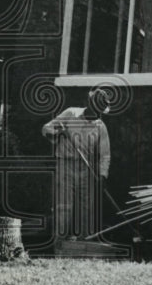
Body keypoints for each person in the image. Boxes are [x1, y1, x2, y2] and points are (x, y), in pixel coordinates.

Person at [42, 89, 111, 250]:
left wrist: (102, 175)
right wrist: (57, 132)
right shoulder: (71, 113)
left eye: (101, 111)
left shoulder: (100, 126)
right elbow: (46, 128)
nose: (98, 114)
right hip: (65, 164)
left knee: (87, 206)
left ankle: (84, 244)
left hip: (87, 168)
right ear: (89, 104)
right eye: (96, 109)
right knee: (64, 205)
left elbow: (105, 155)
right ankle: (58, 246)